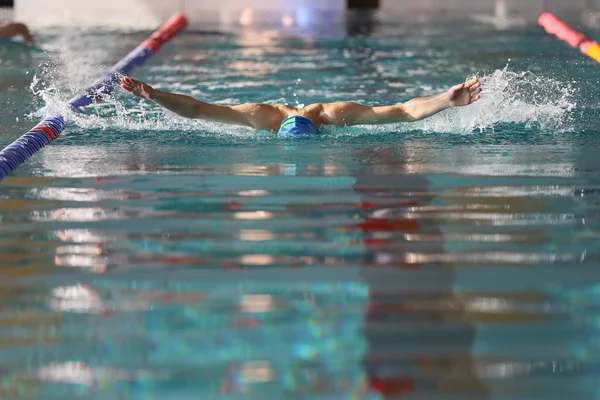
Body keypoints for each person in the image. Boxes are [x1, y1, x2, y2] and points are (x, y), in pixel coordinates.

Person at [120, 76, 482, 135]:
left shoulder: (331, 114)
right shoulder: (262, 115)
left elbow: (403, 111)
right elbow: (197, 109)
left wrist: (444, 100)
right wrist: (155, 95)